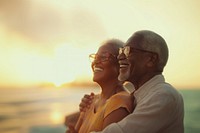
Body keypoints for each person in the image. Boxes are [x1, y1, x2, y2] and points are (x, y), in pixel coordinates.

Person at [80, 30, 184, 133]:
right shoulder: (138, 96)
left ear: (151, 59)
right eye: (121, 51)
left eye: (128, 51)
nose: (120, 57)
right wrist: (87, 108)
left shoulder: (163, 95)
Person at [65, 39, 134, 133]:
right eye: (95, 57)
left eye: (104, 57)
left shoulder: (120, 101)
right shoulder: (91, 100)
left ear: (120, 64)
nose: (96, 62)